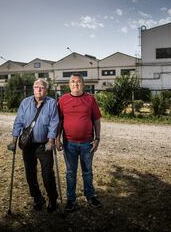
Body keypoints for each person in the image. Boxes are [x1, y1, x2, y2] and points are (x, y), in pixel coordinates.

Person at [8, 78, 59, 212]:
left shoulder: (52, 103)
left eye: (42, 87)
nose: (39, 89)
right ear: (33, 88)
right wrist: (13, 141)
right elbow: (18, 122)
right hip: (28, 145)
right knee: (30, 174)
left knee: (47, 174)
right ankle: (37, 198)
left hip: (44, 145)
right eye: (36, 87)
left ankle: (52, 199)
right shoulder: (25, 102)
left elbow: (54, 123)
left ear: (46, 90)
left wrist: (51, 141)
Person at [56, 73, 102, 212]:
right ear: (69, 85)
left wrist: (97, 138)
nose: (76, 84)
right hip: (69, 143)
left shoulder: (90, 99)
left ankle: (90, 195)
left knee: (87, 171)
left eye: (79, 82)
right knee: (70, 172)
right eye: (73, 82)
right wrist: (57, 138)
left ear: (83, 84)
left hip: (87, 143)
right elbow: (59, 121)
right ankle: (71, 200)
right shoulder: (63, 100)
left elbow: (96, 120)